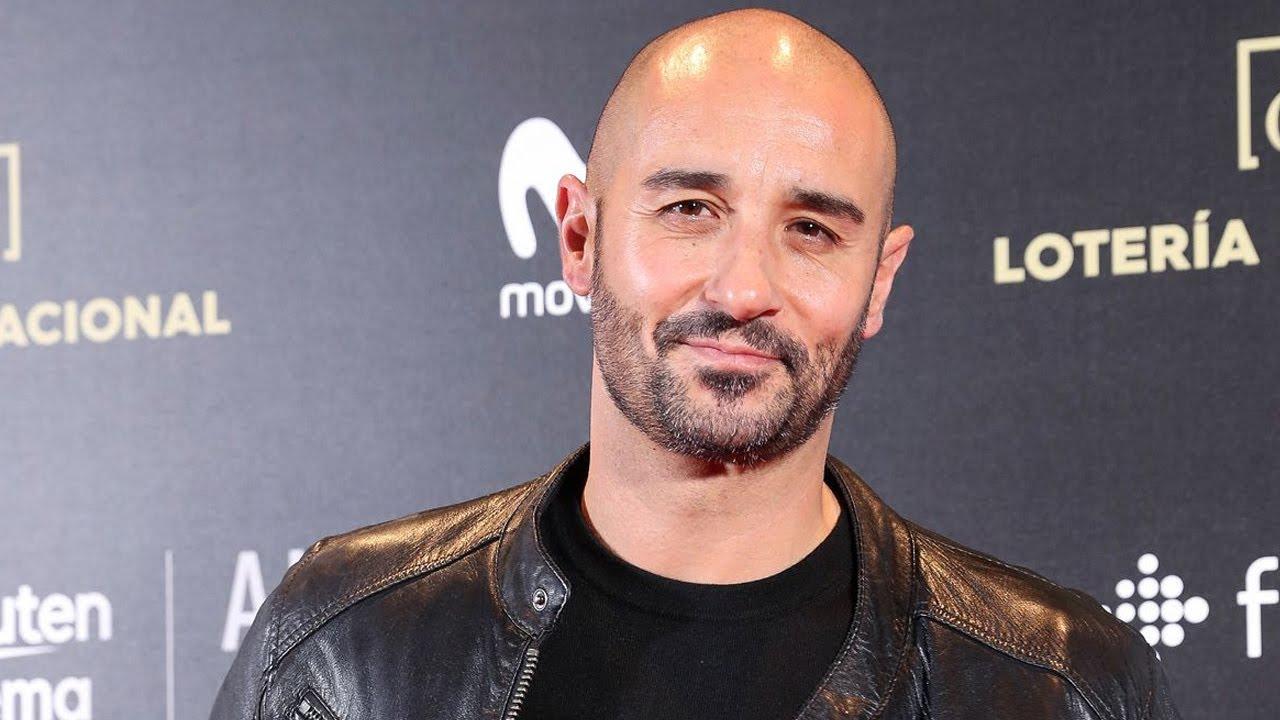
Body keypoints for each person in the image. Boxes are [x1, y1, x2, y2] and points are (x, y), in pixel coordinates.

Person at [210, 8, 1182, 720]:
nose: (744, 286)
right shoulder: (342, 650)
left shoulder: (1057, 687)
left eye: (811, 229)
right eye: (689, 210)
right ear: (580, 236)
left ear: (878, 281)